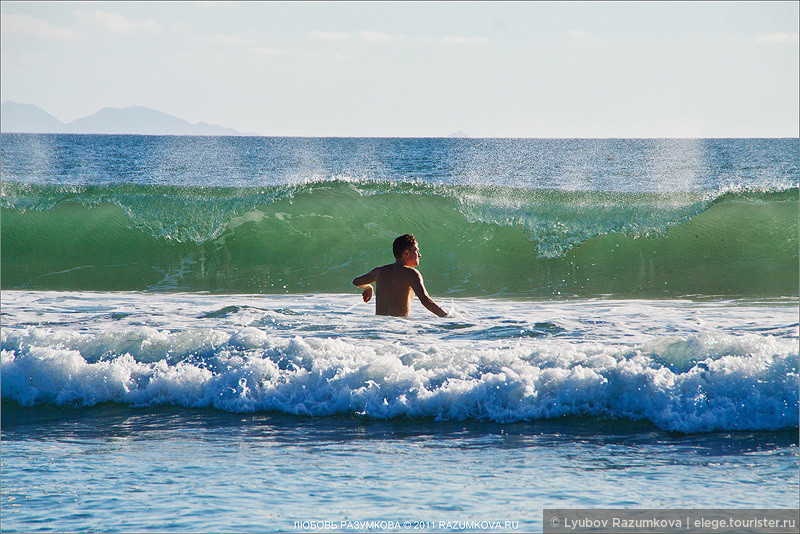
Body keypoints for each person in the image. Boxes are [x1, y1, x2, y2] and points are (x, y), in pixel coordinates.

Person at [353, 234, 448, 317]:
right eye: (416, 251)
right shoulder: (412, 273)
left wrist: (369, 288)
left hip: (379, 327)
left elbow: (356, 282)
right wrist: (447, 317)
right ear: (406, 253)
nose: (419, 255)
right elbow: (426, 301)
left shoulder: (379, 271)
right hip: (398, 330)